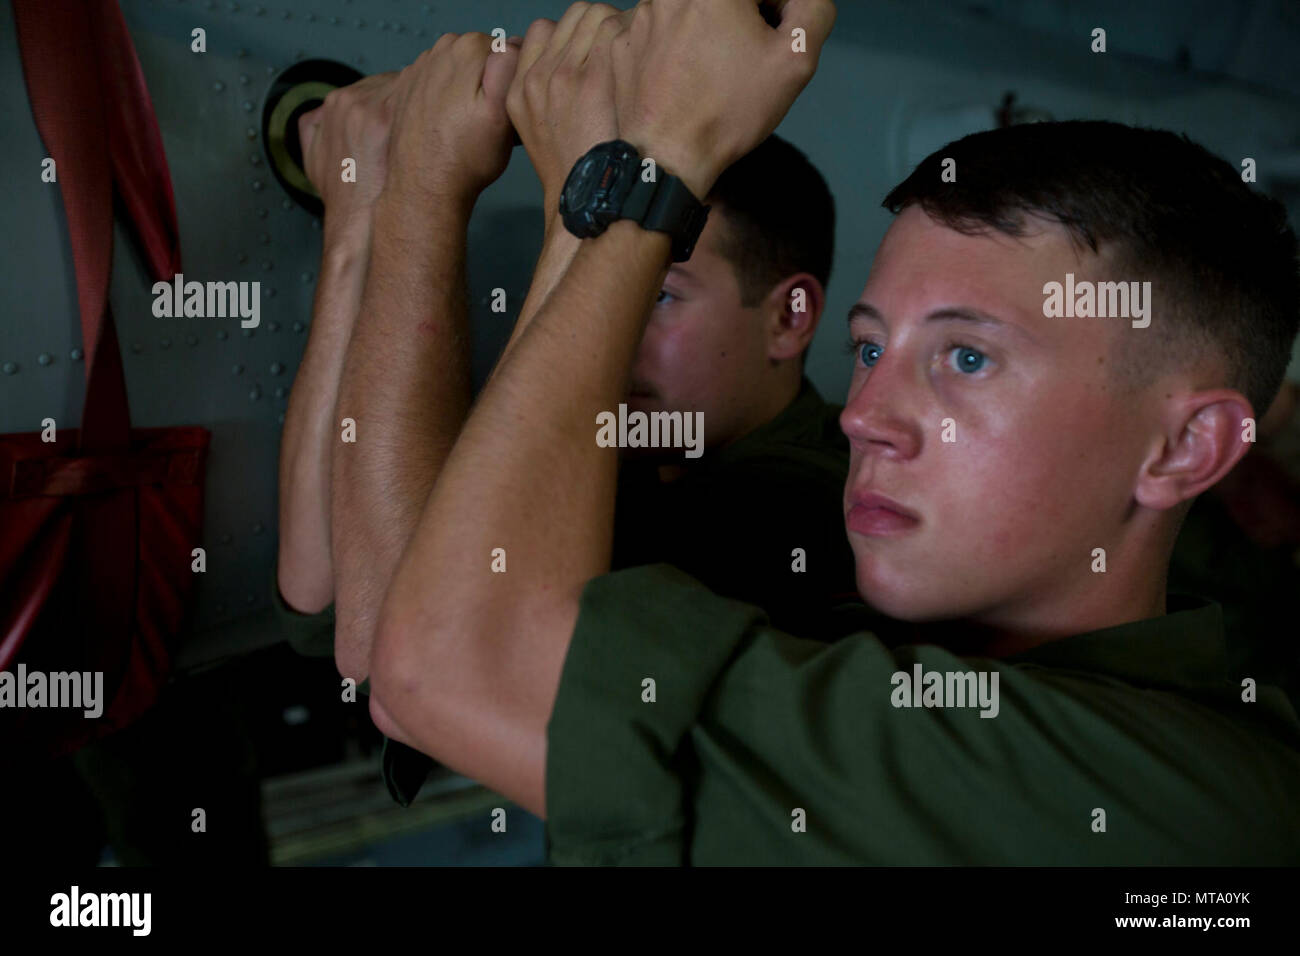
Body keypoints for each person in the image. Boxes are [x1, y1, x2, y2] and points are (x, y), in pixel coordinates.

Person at [362, 0, 1300, 864]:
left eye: (966, 358)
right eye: (868, 349)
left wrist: (646, 164)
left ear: (1186, 449)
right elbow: (405, 638)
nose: (860, 416)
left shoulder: (1176, 802)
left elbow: (451, 661)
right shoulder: (876, 629)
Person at [273, 15, 854, 804]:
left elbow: (386, 655)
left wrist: (423, 186)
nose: (610, 325)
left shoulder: (798, 504)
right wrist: (355, 220)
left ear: (789, 318)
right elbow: (322, 593)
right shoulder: (620, 447)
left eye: (658, 293)